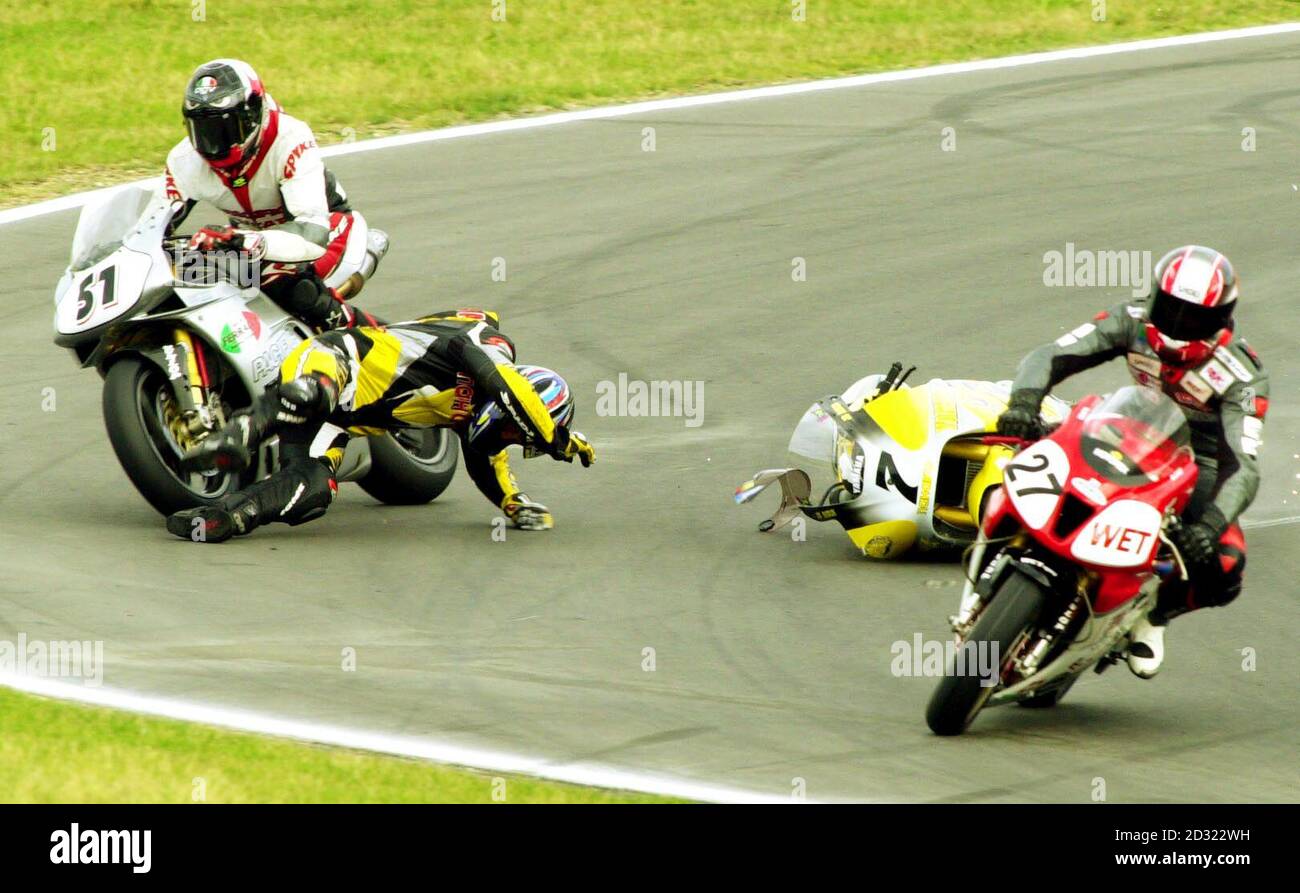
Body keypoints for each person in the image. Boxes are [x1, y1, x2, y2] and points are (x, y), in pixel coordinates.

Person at [996, 246, 1268, 678]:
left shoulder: (1241, 374)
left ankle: (1152, 618)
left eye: (1193, 318)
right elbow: (1049, 355)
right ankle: (1001, 545)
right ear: (1155, 296)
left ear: (1220, 320)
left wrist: (1208, 527)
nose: (1178, 325)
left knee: (1226, 562)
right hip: (1123, 427)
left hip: (1196, 466)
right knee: (1020, 448)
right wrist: (1025, 403)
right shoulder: (1131, 319)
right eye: (1170, 309)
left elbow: (1244, 466)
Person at [166, 309, 595, 541]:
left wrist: (514, 504)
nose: (504, 439)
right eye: (512, 433)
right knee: (312, 393)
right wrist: (556, 439)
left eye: (513, 439)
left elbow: (488, 463)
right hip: (336, 361)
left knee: (311, 493)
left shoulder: (475, 419)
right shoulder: (486, 346)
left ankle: (221, 517)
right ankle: (236, 435)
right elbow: (506, 389)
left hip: (339, 423)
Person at [162, 58, 381, 329]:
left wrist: (250, 241)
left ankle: (372, 338)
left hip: (327, 233)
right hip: (244, 247)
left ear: (253, 116)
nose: (213, 143)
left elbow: (312, 233)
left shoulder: (290, 138)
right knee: (179, 282)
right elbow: (153, 224)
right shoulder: (183, 160)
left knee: (285, 284)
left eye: (225, 129)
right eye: (203, 130)